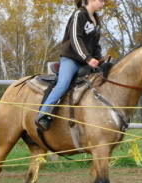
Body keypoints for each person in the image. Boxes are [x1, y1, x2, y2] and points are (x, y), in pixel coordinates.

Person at [35, 0, 106, 131]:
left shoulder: (96, 20)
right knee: (63, 84)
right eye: (101, 0)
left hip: (86, 62)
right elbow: (75, 38)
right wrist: (88, 58)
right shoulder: (79, 14)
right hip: (71, 59)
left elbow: (96, 44)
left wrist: (98, 59)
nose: (103, 3)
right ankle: (43, 115)